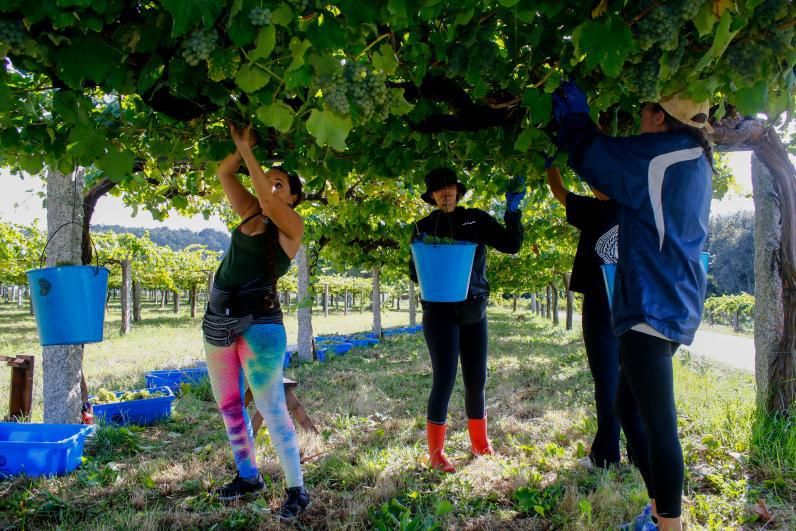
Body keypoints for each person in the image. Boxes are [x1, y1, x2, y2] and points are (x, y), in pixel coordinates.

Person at [553, 82, 713, 531]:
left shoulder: (663, 153)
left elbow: (598, 157)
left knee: (659, 426)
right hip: (671, 298)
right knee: (628, 408)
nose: (639, 124)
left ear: (660, 117)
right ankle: (659, 510)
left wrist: (574, 121)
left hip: (652, 304)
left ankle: (669, 525)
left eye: (644, 113)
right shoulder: (695, 157)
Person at [202, 122, 309, 520]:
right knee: (229, 404)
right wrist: (240, 145)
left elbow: (264, 194)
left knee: (271, 405)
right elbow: (225, 173)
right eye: (271, 181)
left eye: (281, 184)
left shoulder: (292, 228)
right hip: (217, 315)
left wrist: (249, 152)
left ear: (295, 198)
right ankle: (248, 475)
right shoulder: (250, 211)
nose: (272, 186)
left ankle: (297, 489)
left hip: (260, 323)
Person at [409, 167, 524, 472]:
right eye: (438, 189)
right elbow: (414, 273)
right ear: (432, 196)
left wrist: (513, 212)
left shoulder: (477, 219)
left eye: (449, 187)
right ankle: (436, 454)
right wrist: (427, 256)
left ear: (458, 192)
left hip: (475, 311)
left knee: (477, 380)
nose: (445, 192)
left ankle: (481, 445)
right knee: (444, 379)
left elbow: (511, 245)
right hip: (439, 313)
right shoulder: (422, 228)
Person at [545, 163, 643, 470]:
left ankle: (635, 454)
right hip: (603, 307)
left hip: (633, 307)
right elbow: (560, 192)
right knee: (608, 380)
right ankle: (607, 454)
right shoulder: (596, 209)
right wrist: (550, 166)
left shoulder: (639, 208)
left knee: (634, 381)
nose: (595, 185)